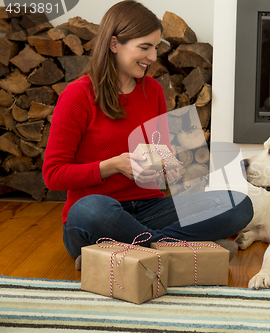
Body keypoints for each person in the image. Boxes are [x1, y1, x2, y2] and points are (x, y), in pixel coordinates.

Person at [42, 0, 253, 268]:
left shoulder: (152, 90)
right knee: (88, 210)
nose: (153, 57)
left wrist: (168, 167)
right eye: (145, 47)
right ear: (115, 44)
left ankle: (134, 252)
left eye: (155, 47)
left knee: (239, 204)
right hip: (103, 216)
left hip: (149, 211)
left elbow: (160, 153)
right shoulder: (78, 95)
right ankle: (183, 249)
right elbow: (53, 175)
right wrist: (114, 165)